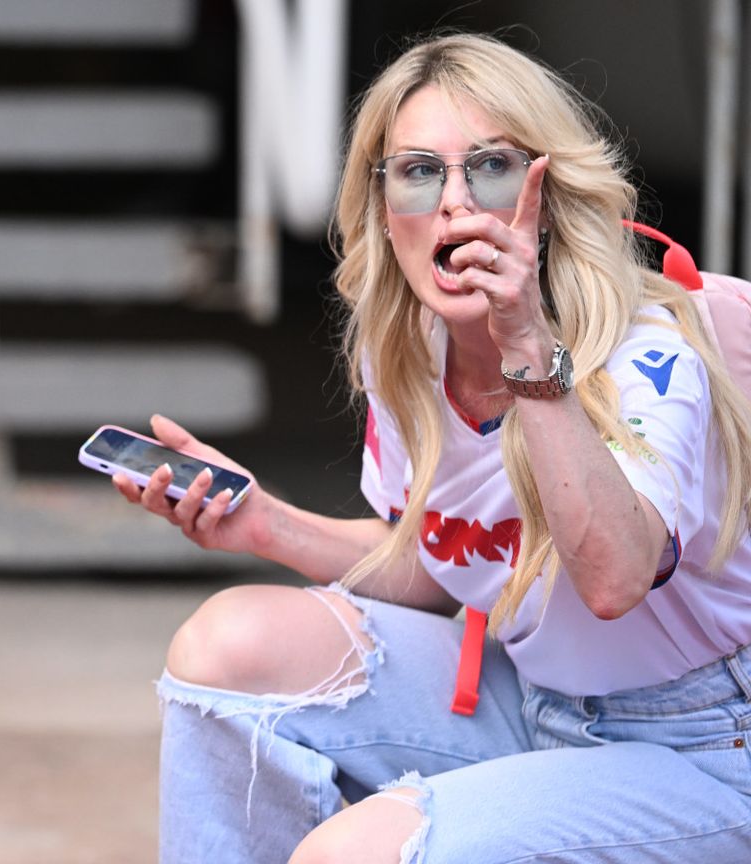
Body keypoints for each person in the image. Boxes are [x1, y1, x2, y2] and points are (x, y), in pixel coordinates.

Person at [112, 33, 751, 862]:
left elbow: (614, 578)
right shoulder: (410, 353)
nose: (453, 202)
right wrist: (264, 523)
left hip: (704, 747)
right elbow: (441, 563)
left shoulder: (646, 355)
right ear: (384, 208)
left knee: (356, 852)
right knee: (225, 648)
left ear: (547, 195)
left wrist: (528, 351)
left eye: (490, 167)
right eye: (418, 172)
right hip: (532, 700)